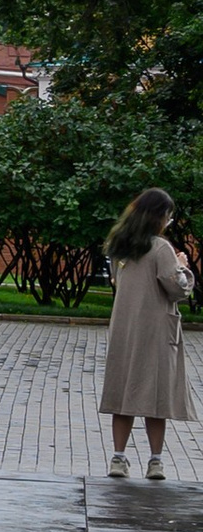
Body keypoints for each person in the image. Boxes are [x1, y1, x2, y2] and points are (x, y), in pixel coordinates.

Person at [100, 188, 190, 481]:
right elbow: (176, 288)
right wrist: (183, 268)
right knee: (155, 396)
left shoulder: (120, 245)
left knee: (123, 392)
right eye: (168, 216)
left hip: (124, 328)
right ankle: (155, 461)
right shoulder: (160, 248)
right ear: (159, 216)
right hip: (155, 330)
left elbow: (117, 281)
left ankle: (118, 457)